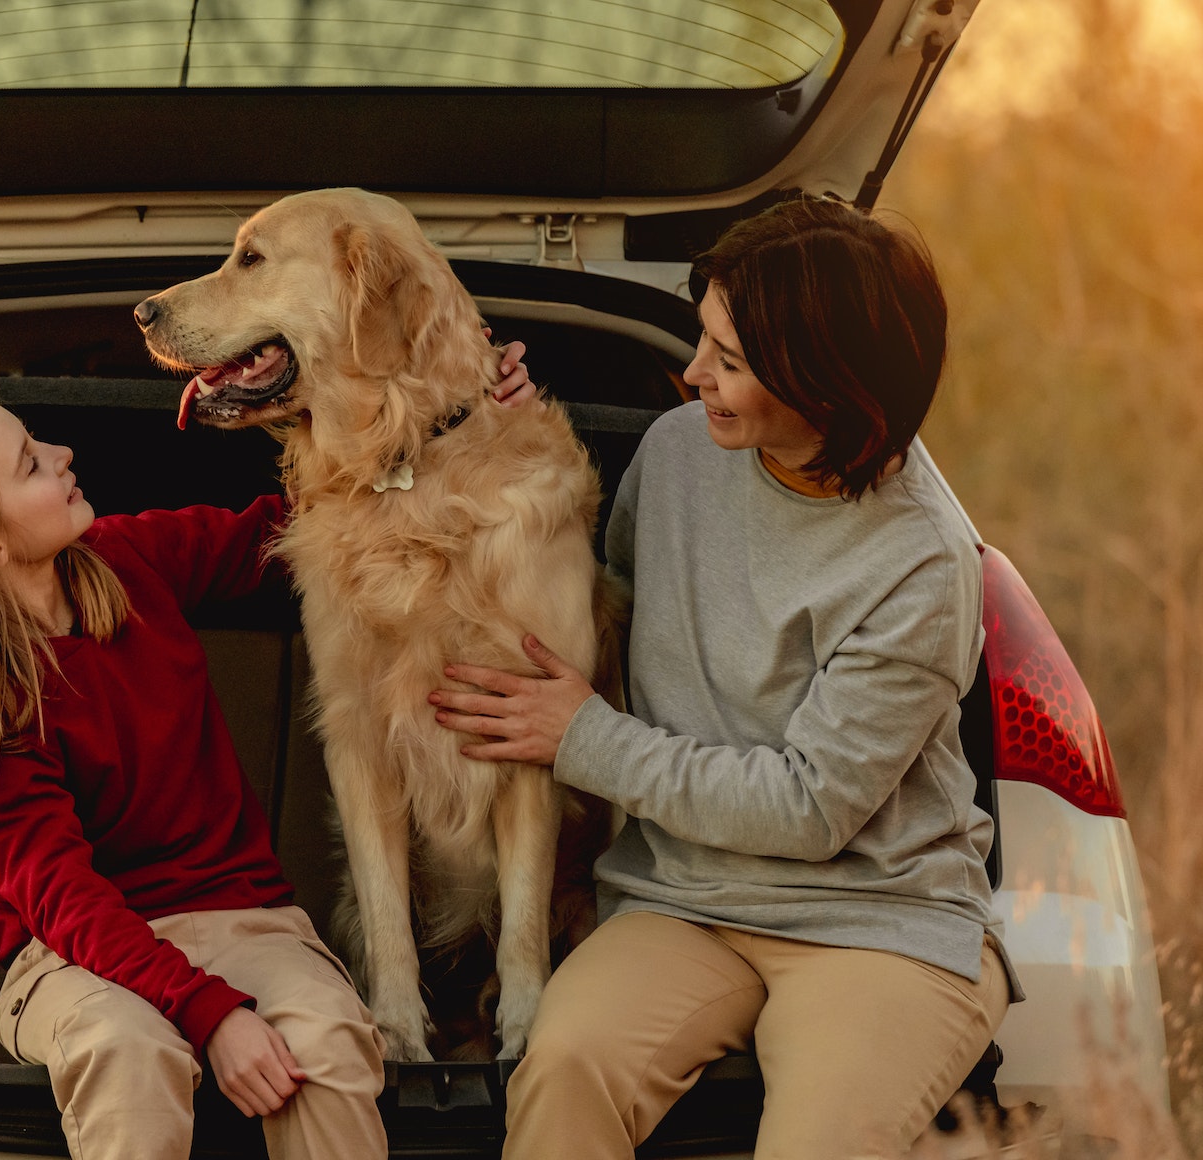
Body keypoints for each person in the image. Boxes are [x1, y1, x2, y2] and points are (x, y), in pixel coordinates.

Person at [0, 346, 537, 1160]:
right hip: (74, 959)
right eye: (30, 464)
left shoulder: (128, 562)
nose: (63, 457)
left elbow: (303, 523)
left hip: (249, 922)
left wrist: (456, 421)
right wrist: (211, 1014)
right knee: (128, 1051)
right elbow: (66, 903)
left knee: (332, 1047)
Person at [426, 197, 1019, 1160]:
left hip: (876, 922)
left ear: (826, 387)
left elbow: (808, 810)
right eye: (703, 337)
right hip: (682, 900)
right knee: (563, 1070)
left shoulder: (922, 561)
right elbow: (607, 617)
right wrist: (493, 433)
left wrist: (584, 739)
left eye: (729, 362)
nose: (693, 373)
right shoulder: (673, 455)